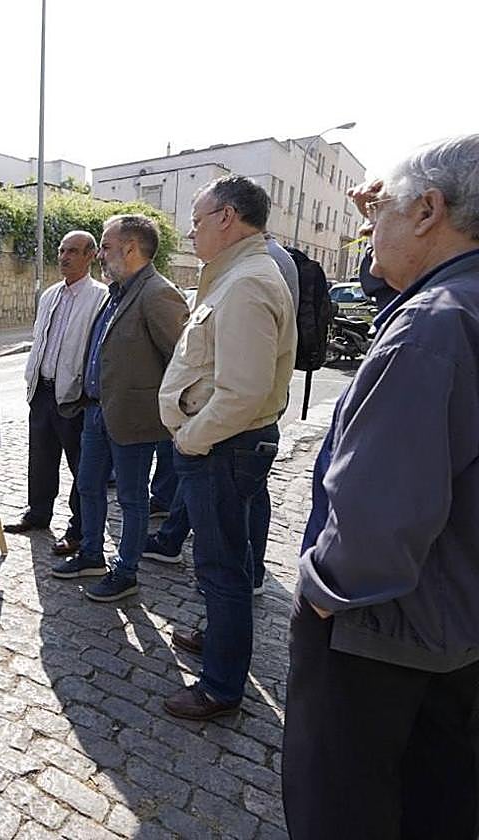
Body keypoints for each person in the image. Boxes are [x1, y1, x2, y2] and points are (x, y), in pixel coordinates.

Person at [283, 135, 479, 839]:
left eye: (382, 210)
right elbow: (399, 282)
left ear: (430, 210)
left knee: (342, 806)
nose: (367, 225)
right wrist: (387, 217)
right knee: (435, 800)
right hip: (452, 622)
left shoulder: (431, 328)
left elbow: (380, 514)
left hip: (380, 635)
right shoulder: (455, 298)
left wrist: (325, 595)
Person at [157, 176, 295, 719]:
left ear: (227, 217)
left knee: (222, 567)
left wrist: (191, 439)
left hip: (223, 445)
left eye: (196, 219)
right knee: (226, 559)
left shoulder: (246, 283)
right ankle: (219, 638)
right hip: (223, 444)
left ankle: (219, 685)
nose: (190, 231)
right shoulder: (234, 276)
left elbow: (243, 391)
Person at [52, 216, 188, 601]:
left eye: (106, 246)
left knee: (131, 497)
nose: (100, 255)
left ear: (130, 248)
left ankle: (125, 571)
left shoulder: (157, 293)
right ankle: (92, 553)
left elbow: (182, 360)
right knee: (88, 485)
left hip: (133, 418)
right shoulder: (118, 291)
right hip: (96, 412)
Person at [3, 230, 107, 556]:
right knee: (41, 458)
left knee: (81, 467)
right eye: (62, 250)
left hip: (74, 396)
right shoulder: (50, 295)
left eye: (73, 251)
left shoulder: (100, 297)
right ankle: (38, 513)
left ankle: (78, 530)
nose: (64, 257)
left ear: (91, 255)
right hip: (42, 391)